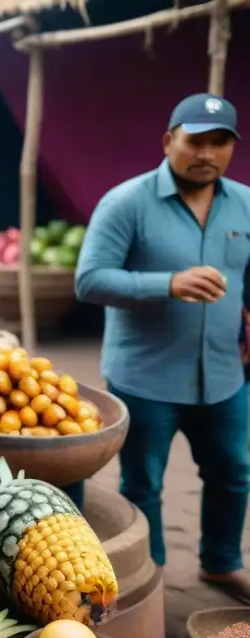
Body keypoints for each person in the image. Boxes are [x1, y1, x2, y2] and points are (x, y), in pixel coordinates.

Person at [75, 93, 250, 604]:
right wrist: (167, 283)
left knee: (234, 472)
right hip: (146, 378)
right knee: (143, 484)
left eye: (220, 142)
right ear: (169, 140)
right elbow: (89, 281)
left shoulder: (244, 203)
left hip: (224, 373)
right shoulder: (126, 202)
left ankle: (221, 564)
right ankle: (150, 577)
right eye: (196, 140)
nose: (207, 153)